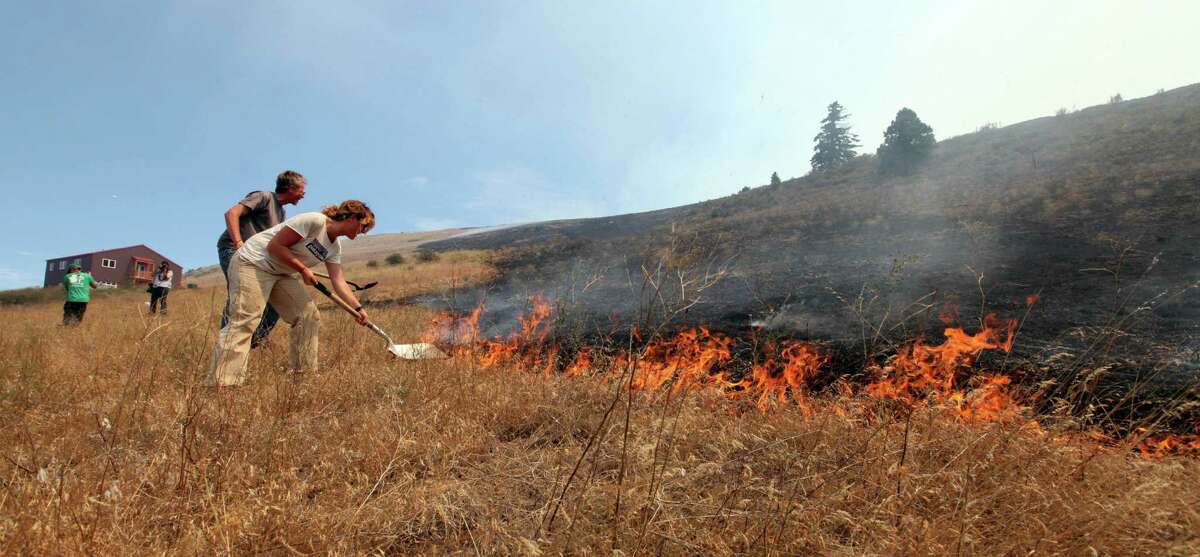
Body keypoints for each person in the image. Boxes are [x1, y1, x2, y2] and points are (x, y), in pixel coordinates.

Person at [207, 200, 374, 387]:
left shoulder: (334, 248)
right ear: (352, 218)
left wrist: (357, 309)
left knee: (307, 316)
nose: (363, 231)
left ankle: (304, 378)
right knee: (246, 318)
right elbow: (275, 246)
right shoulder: (314, 221)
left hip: (280, 273)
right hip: (253, 262)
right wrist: (303, 269)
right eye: (363, 226)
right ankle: (223, 383)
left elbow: (338, 280)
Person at [217, 170, 307, 347]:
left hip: (256, 257)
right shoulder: (263, 197)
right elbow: (231, 214)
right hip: (233, 250)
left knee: (273, 305)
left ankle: (248, 344)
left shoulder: (281, 213)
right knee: (241, 298)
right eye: (301, 189)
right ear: (290, 188)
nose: (303, 194)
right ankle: (226, 347)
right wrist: (239, 243)